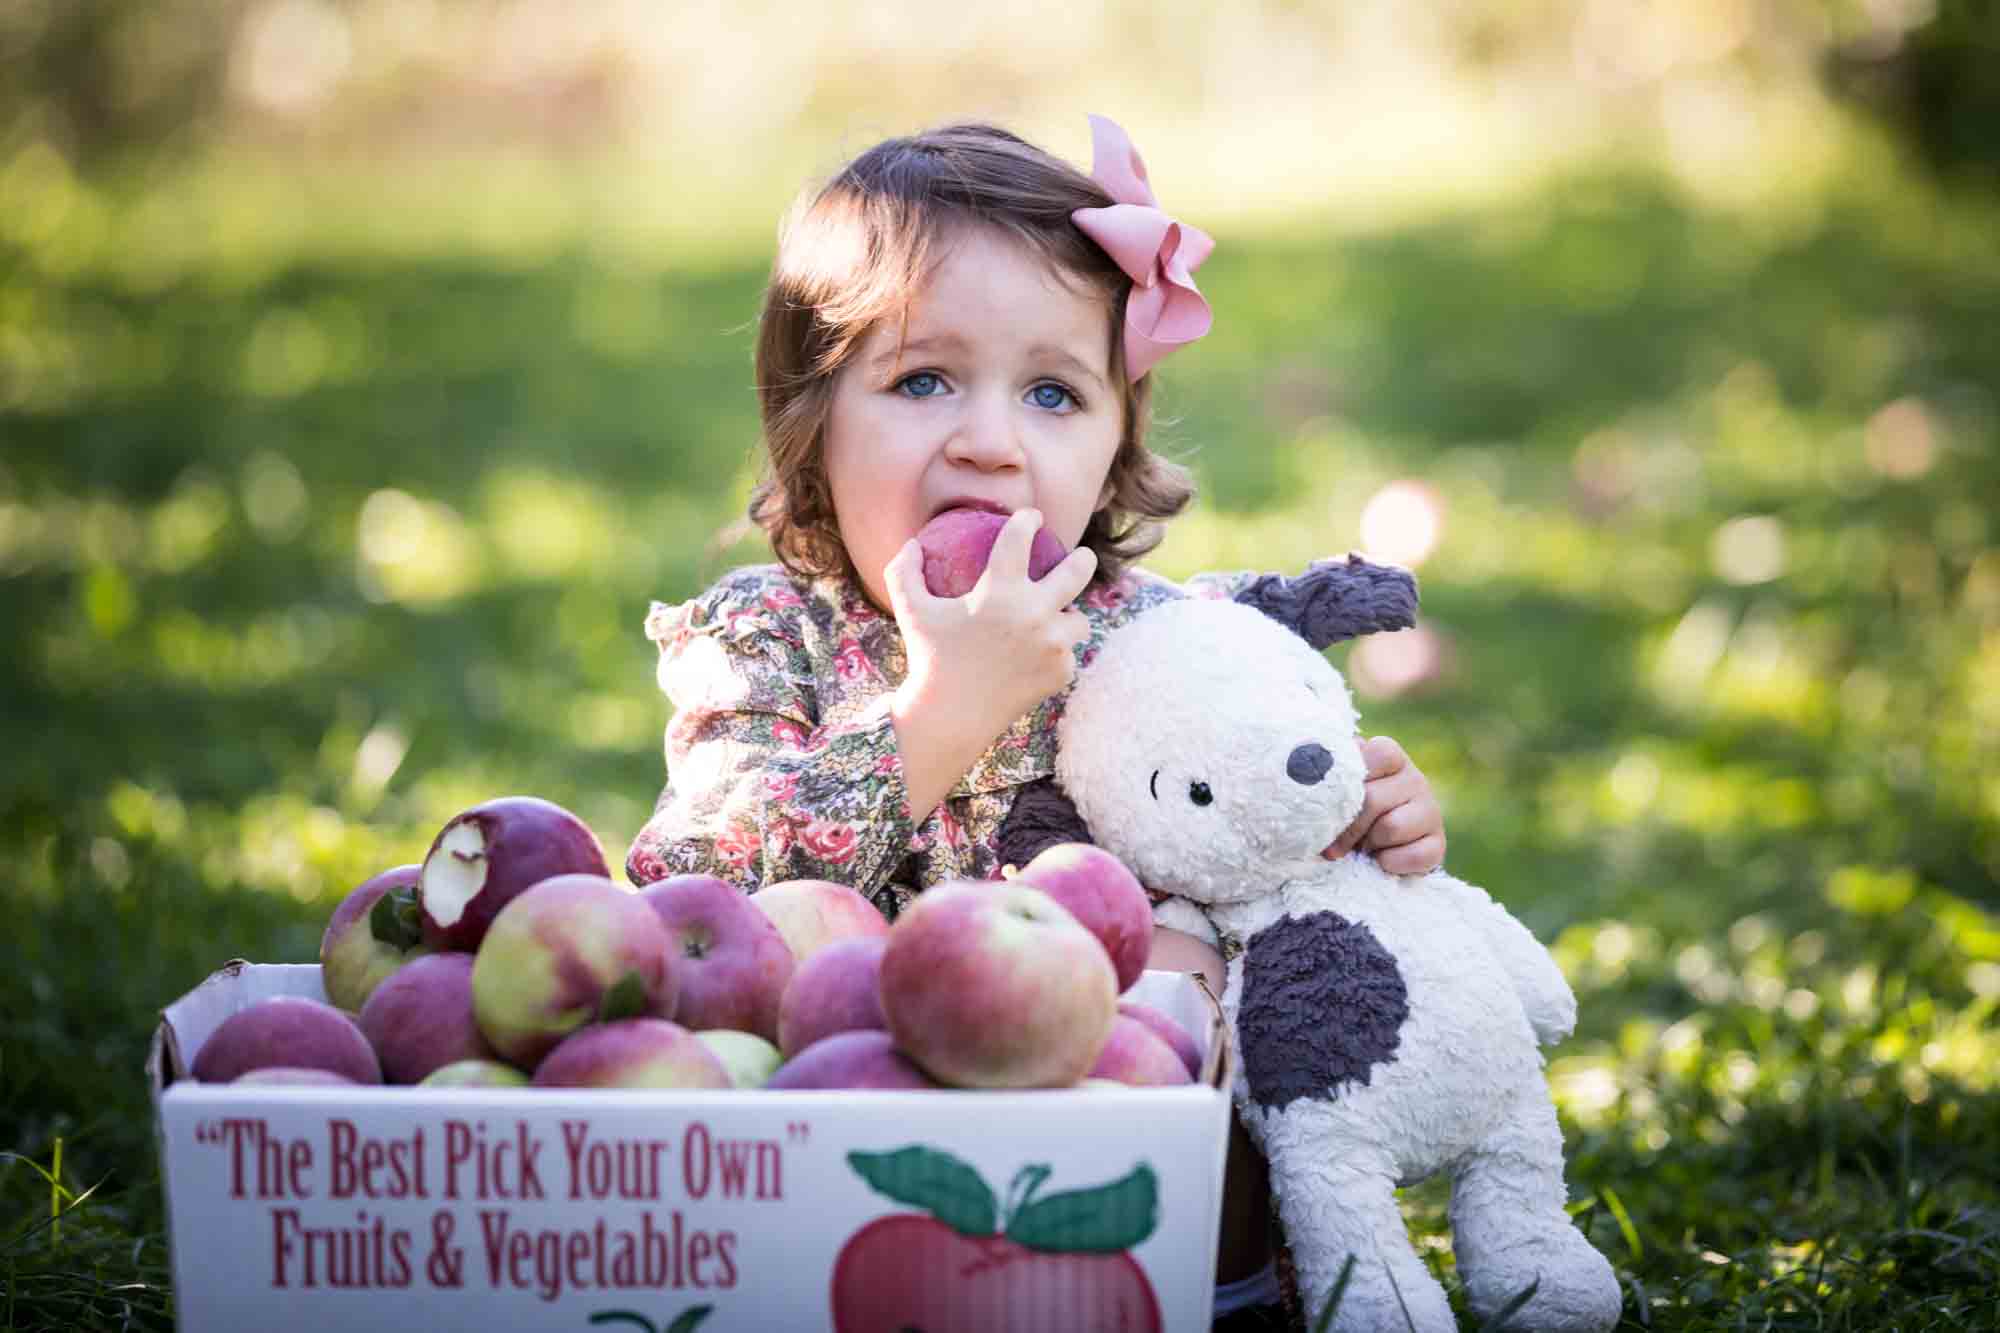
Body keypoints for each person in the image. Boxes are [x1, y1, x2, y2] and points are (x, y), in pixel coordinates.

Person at [626, 115, 1447, 1330]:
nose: (989, 442)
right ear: (812, 425)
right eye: (920, 379)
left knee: (1195, 970)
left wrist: (1359, 819)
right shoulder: (766, 639)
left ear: (1115, 446)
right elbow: (691, 890)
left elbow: (1269, 850)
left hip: (1130, 1184)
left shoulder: (1168, 644)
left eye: (1053, 393)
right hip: (835, 1172)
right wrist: (939, 711)